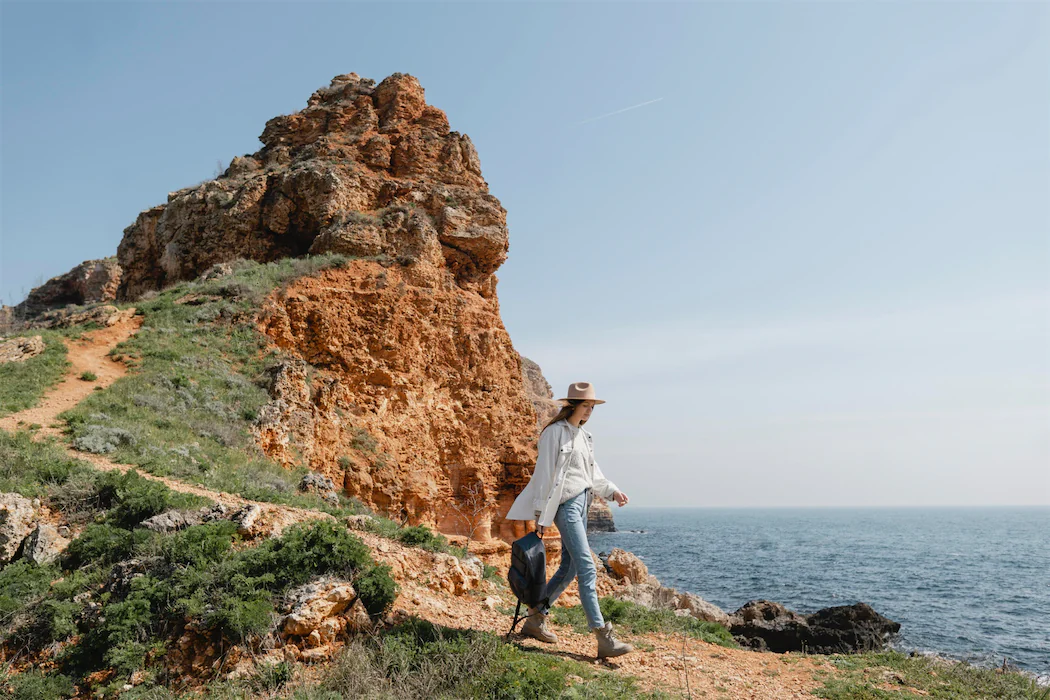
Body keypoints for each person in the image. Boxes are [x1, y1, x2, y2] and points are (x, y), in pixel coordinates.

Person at [505, 381, 634, 660]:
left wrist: (613, 491)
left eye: (592, 407)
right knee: (587, 566)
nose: (589, 411)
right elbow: (543, 474)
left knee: (570, 567)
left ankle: (535, 619)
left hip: (584, 503)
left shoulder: (585, 436)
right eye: (586, 405)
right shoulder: (554, 433)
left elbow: (593, 474)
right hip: (565, 506)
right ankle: (603, 637)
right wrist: (540, 515)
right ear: (572, 405)